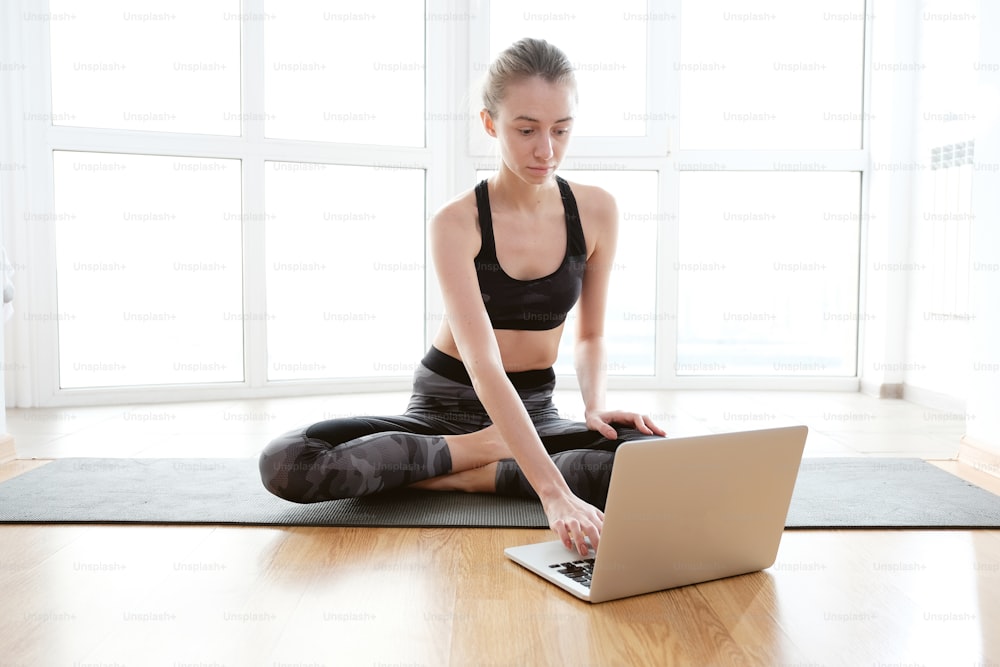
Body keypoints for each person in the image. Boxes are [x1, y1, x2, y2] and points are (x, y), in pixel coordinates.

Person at [259, 37, 665, 556]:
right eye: (526, 130)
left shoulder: (597, 210)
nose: (547, 150)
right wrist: (553, 491)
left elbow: (591, 335)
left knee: (652, 460)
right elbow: (483, 364)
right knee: (288, 461)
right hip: (442, 412)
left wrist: (596, 409)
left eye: (561, 130)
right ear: (491, 124)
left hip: (534, 410)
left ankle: (458, 476)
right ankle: (495, 454)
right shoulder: (456, 222)